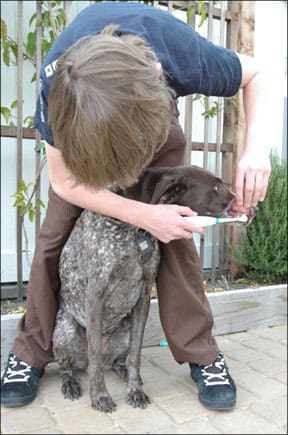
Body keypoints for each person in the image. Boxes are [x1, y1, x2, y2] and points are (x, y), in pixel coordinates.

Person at [1, 1, 271, 411]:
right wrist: (143, 215)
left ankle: (201, 354)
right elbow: (62, 181)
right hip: (87, 136)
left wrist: (255, 150)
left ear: (160, 75)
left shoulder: (175, 50)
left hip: (152, 122)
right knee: (54, 236)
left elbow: (258, 74)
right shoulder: (61, 87)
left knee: (177, 236)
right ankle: (30, 350)